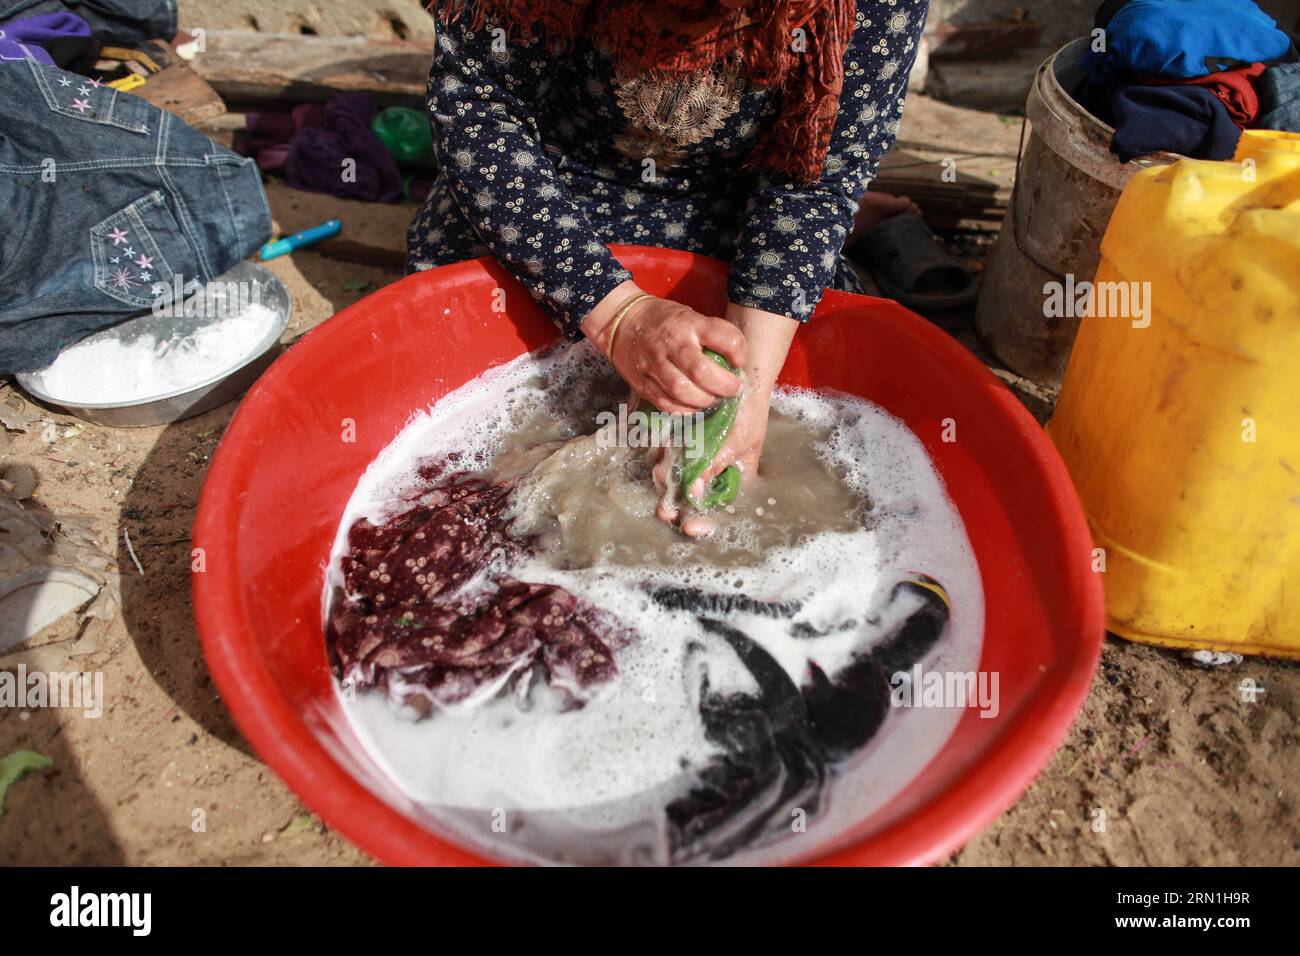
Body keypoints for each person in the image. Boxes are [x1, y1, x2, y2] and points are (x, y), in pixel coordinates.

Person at [407, 0, 928, 525]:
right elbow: (480, 110)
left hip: (734, 195)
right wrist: (618, 318)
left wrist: (743, 393)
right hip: (555, 175)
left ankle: (860, 218)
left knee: (818, 321)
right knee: (450, 314)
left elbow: (817, 173)